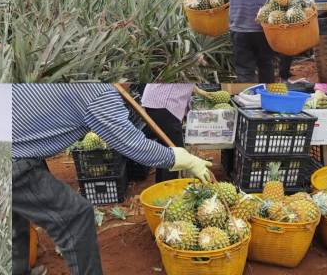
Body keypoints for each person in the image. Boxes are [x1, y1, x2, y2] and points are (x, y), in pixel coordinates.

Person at [11, 84, 213, 275]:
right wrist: (181, 158)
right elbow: (132, 145)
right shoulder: (98, 93)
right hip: (11, 157)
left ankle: (17, 269)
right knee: (75, 217)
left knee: (13, 214)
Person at [141, 83, 195, 182]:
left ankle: (161, 187)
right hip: (165, 104)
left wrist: (201, 91)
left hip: (158, 103)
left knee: (167, 150)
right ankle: (168, 192)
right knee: (176, 154)